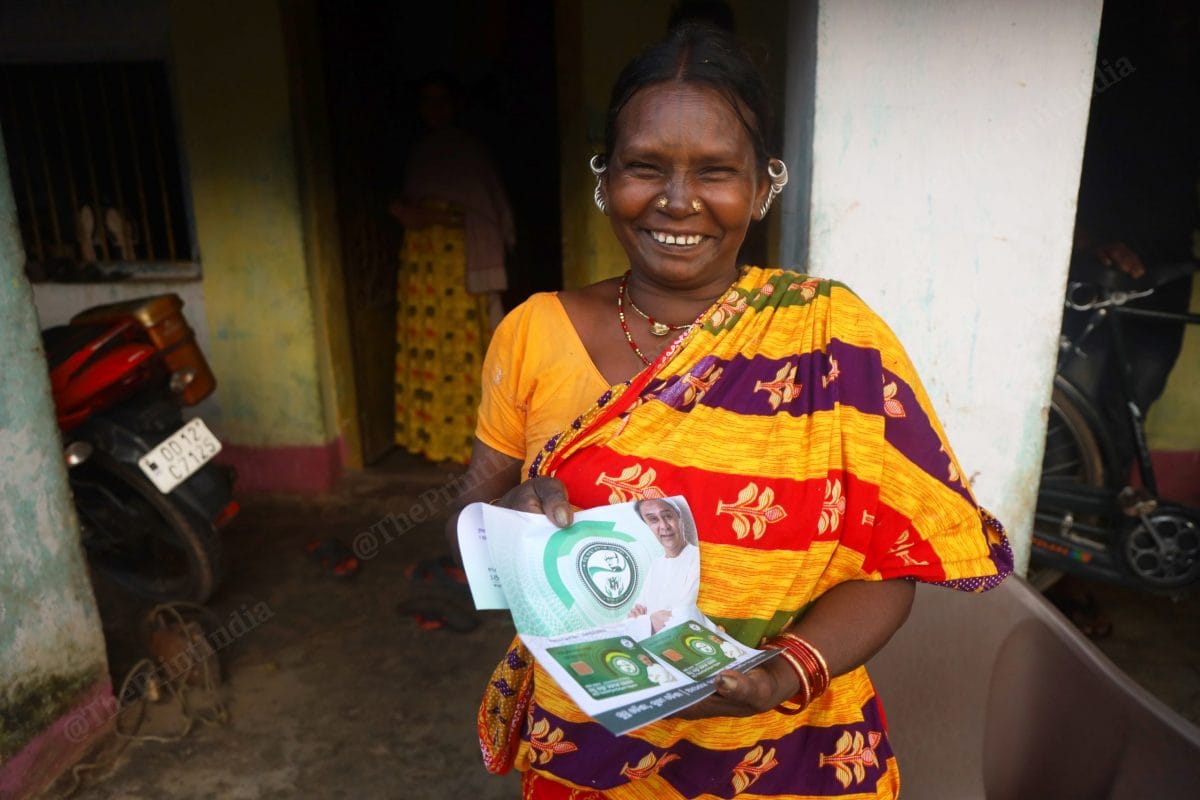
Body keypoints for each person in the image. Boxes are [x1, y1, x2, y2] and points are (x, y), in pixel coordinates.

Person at [448, 24, 1012, 798]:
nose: (678, 202)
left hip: (792, 747)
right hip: (591, 744)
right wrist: (510, 526)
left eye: (716, 172)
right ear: (604, 176)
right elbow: (476, 514)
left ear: (764, 183)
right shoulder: (534, 329)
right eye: (645, 167)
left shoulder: (831, 337)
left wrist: (785, 673)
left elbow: (892, 562)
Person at [390, 72, 516, 464]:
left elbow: (482, 214)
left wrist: (427, 217)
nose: (434, 109)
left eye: (442, 99)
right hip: (423, 267)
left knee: (463, 350)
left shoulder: (466, 151)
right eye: (426, 100)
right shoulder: (421, 150)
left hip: (457, 267)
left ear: (455, 105)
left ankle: (470, 445)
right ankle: (430, 439)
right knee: (427, 348)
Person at [627, 497, 700, 635]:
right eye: (653, 519)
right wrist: (652, 620)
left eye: (667, 516)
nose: (664, 526)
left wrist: (645, 620)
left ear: (680, 518)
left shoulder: (698, 560)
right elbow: (633, 616)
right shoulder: (656, 565)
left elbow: (685, 620)